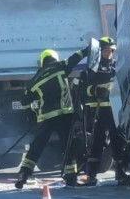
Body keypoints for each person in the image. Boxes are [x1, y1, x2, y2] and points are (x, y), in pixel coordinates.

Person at [15, 46, 89, 189]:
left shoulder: (35, 79)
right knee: (68, 145)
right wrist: (89, 50)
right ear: (54, 58)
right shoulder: (61, 67)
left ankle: (23, 174)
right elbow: (77, 56)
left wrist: (30, 114)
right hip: (64, 114)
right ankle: (70, 177)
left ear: (42, 62)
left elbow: (23, 102)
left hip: (46, 117)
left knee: (37, 146)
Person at [80, 37, 130, 186]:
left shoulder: (116, 67)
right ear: (99, 52)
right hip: (99, 111)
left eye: (111, 50)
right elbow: (83, 91)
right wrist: (96, 90)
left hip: (115, 111)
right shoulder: (92, 69)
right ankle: (91, 175)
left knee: (119, 141)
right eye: (106, 50)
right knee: (97, 142)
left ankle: (121, 174)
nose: (109, 53)